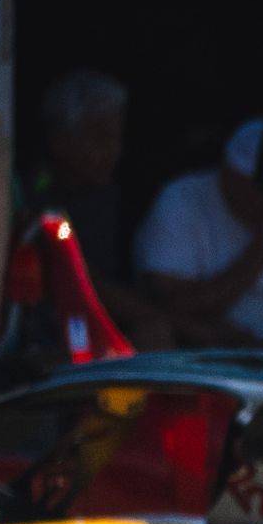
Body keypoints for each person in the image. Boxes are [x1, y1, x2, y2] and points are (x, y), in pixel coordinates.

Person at [134, 119, 263, 349]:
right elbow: (167, 304)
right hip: (195, 358)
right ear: (232, 174)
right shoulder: (182, 201)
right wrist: (257, 257)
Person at [25, 71, 167, 347]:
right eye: (100, 138)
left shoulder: (110, 194)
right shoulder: (33, 193)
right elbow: (81, 277)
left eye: (117, 138)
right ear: (60, 141)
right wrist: (169, 318)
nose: (113, 150)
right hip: (46, 339)